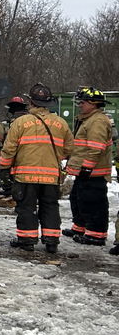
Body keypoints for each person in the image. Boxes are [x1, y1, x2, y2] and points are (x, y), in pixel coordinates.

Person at [0, 83, 71, 253]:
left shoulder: (20, 122)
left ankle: (27, 240)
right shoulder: (61, 123)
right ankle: (51, 241)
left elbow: (9, 149)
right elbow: (69, 149)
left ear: (31, 102)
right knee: (50, 207)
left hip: (25, 176)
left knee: (26, 207)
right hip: (52, 177)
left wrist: (3, 169)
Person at [65, 87, 114, 246]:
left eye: (83, 102)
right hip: (85, 171)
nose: (80, 104)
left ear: (93, 104)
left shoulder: (97, 121)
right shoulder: (88, 119)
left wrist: (87, 167)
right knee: (78, 199)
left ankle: (96, 235)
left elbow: (96, 147)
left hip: (93, 173)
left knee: (93, 203)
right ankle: (80, 227)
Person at [0, 96, 28, 197]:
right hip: (22, 149)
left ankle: (11, 188)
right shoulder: (26, 118)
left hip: (16, 149)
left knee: (8, 170)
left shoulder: (18, 120)